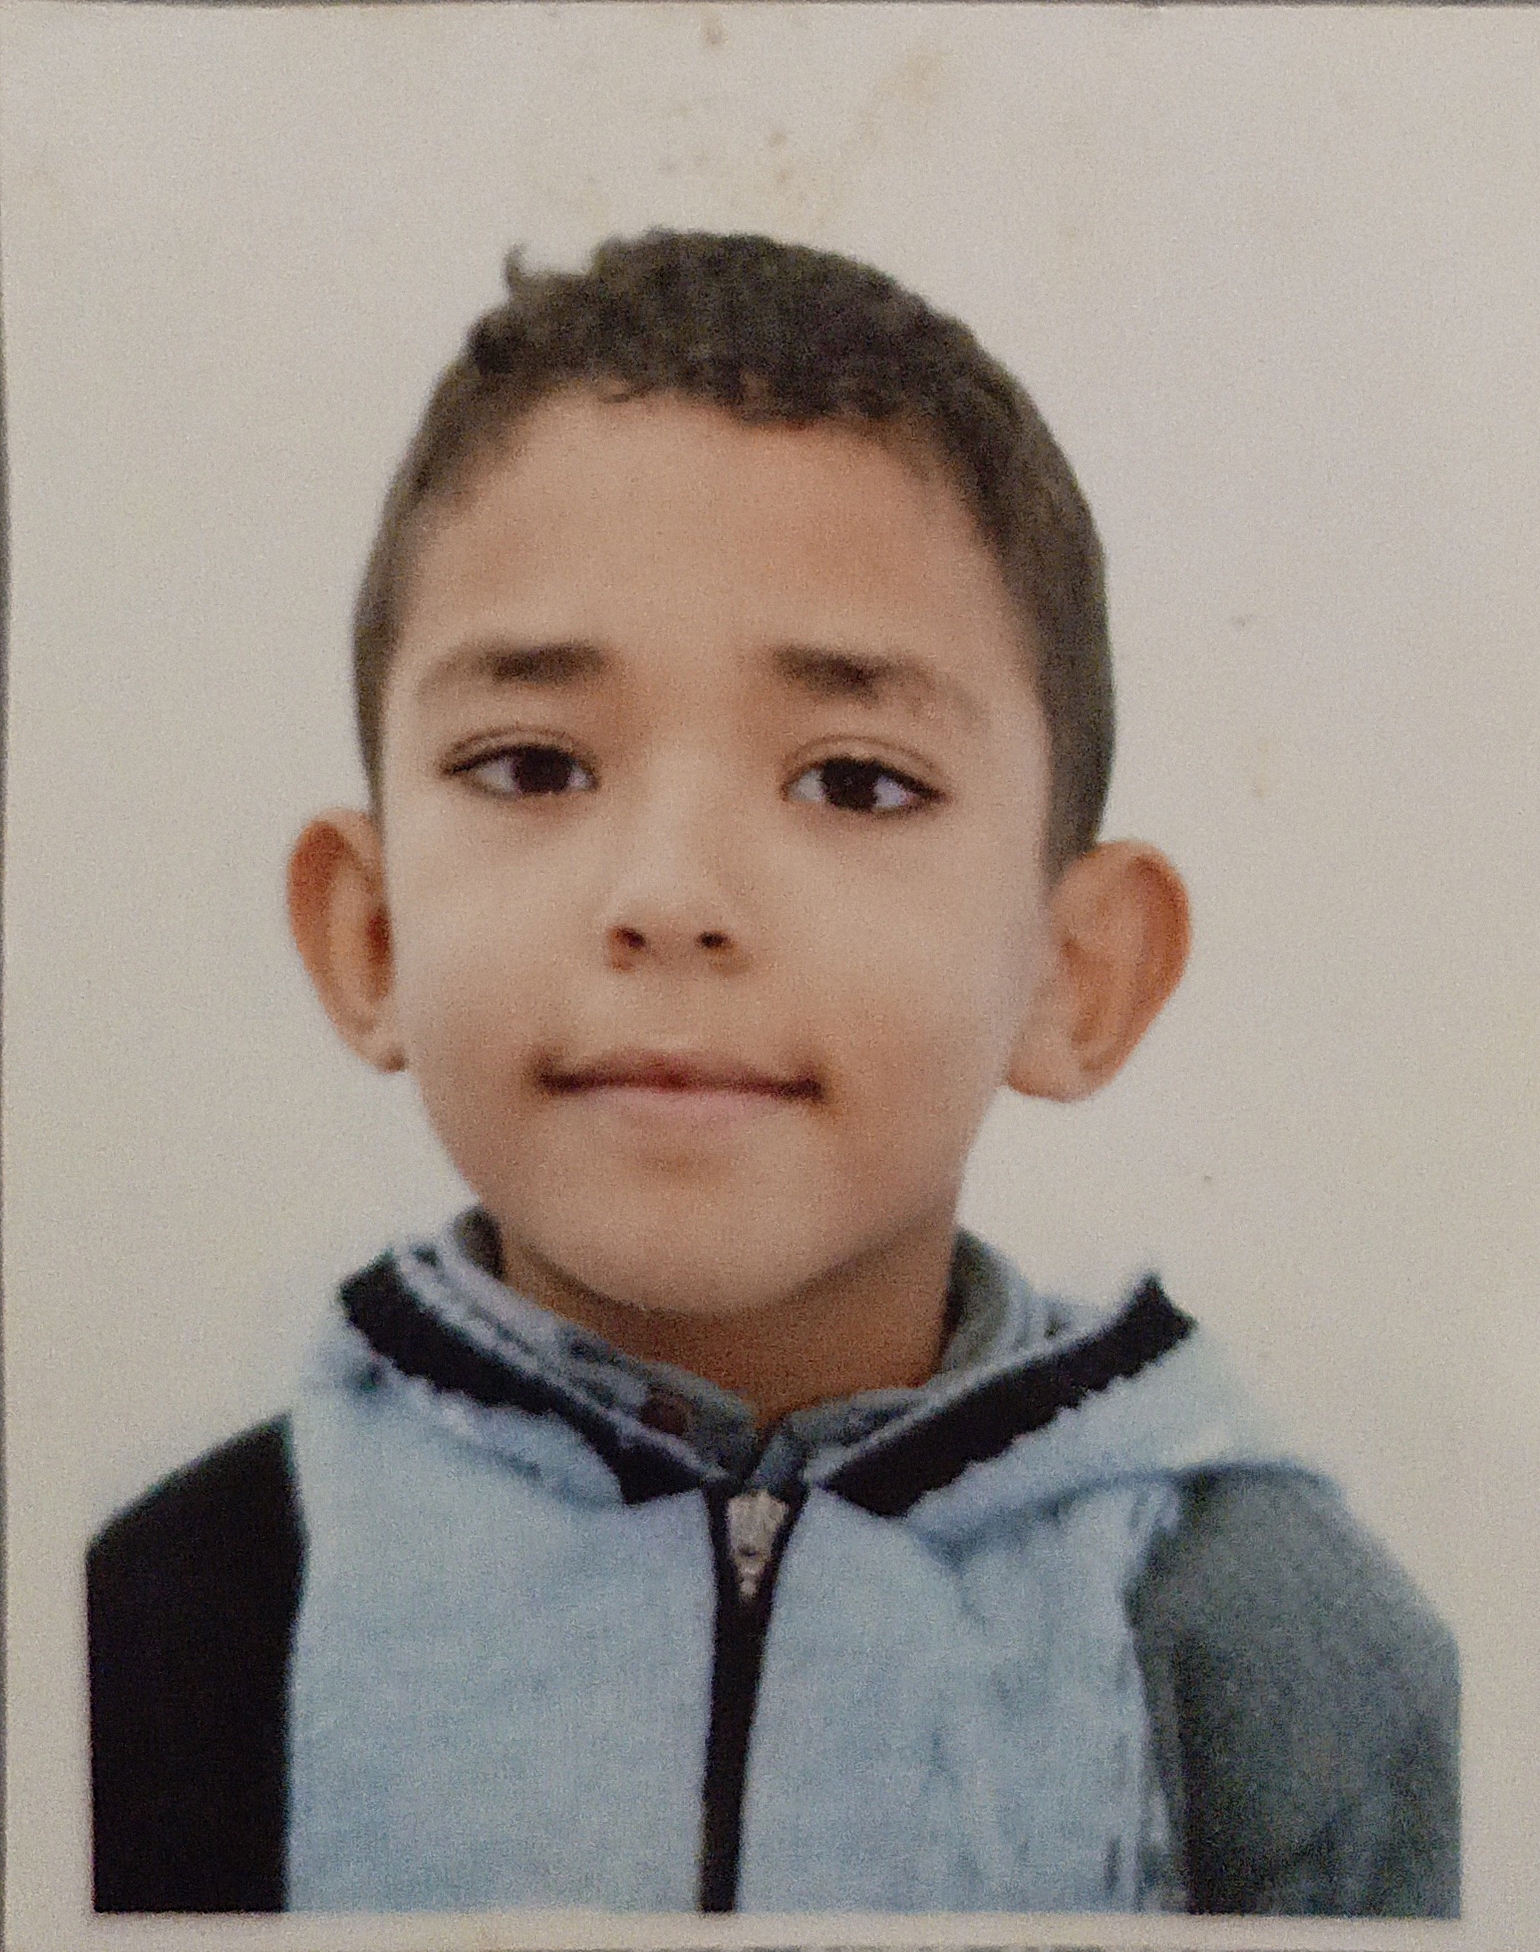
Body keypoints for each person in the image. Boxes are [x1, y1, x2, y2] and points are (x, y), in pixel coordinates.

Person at [86, 229, 1458, 1918]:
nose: (670, 897)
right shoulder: (176, 1622)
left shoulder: (1272, 1649)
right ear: (369, 937)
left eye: (856, 782)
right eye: (534, 766)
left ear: (1074, 975)